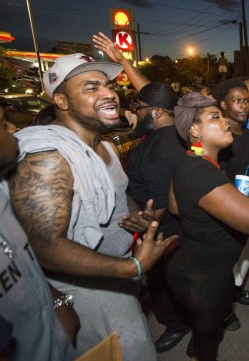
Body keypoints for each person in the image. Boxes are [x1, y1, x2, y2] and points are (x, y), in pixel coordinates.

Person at [8, 53, 176, 360]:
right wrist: (133, 267)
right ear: (61, 101)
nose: (109, 93)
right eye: (91, 87)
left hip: (118, 280)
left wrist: (136, 215)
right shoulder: (48, 158)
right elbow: (44, 245)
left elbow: (118, 194)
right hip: (85, 293)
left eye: (108, 85)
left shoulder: (106, 146)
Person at [167, 92, 249, 361]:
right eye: (216, 117)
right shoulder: (200, 171)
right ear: (195, 129)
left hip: (204, 271)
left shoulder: (194, 160)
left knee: (208, 332)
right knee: (207, 341)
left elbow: (176, 207)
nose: (225, 122)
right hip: (202, 279)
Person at [94, 31, 192, 353]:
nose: (129, 112)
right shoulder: (181, 130)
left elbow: (157, 202)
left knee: (163, 281)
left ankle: (177, 325)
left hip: (162, 233)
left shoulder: (148, 151)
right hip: (189, 227)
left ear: (155, 113)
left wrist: (146, 225)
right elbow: (155, 96)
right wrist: (122, 61)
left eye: (137, 107)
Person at [0, 97, 75, 361]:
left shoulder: (0, 195)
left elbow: (24, 259)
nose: (13, 129)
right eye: (0, 124)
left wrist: (58, 304)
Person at [217, 78, 249, 327]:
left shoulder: (246, 136)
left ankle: (234, 292)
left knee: (242, 255)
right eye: (237, 101)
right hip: (226, 210)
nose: (244, 106)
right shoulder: (220, 138)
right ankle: (223, 311)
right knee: (225, 262)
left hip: (246, 207)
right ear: (223, 105)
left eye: (245, 100)